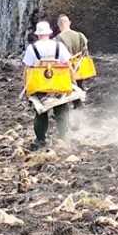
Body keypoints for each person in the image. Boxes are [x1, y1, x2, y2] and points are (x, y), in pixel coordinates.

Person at [22, 20, 75, 149]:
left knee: (40, 113)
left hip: (39, 85)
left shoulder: (32, 48)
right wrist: (72, 81)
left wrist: (25, 87)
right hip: (59, 84)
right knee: (62, 111)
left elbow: (27, 69)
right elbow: (68, 65)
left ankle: (40, 140)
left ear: (38, 34)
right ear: (49, 33)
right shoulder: (59, 46)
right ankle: (63, 138)